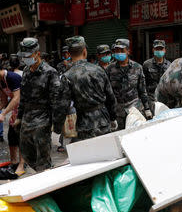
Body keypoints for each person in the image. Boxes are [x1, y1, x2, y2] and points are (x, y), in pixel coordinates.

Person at [58, 36, 118, 141]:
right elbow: (110, 97)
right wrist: (113, 117)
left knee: (89, 155)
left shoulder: (67, 76)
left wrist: (58, 125)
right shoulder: (98, 70)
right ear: (85, 51)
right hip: (103, 120)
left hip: (84, 124)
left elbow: (63, 105)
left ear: (70, 53)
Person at [15, 38, 62, 172]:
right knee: (26, 153)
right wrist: (19, 116)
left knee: (43, 157)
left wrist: (56, 123)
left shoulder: (50, 72)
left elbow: (56, 100)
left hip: (43, 119)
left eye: (28, 56)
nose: (25, 59)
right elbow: (23, 96)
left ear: (37, 54)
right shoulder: (26, 71)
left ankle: (46, 177)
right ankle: (43, 172)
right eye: (23, 56)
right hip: (27, 118)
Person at [106, 38, 153, 130]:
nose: (119, 53)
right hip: (118, 112)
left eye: (122, 50)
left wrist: (147, 108)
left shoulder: (137, 68)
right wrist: (111, 115)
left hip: (135, 110)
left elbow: (142, 90)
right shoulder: (109, 69)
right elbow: (107, 93)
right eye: (117, 50)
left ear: (128, 51)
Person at [0, 67, 24, 175]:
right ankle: (14, 162)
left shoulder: (12, 77)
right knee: (11, 135)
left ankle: (22, 164)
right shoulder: (1, 81)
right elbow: (4, 100)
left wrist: (4, 114)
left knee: (21, 137)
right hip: (15, 109)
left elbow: (16, 98)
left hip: (25, 108)